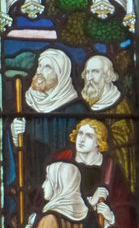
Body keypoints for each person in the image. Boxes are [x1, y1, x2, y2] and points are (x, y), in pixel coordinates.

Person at [55, 118, 139, 228]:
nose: (82, 139)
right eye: (80, 133)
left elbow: (126, 211)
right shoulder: (63, 161)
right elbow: (51, 202)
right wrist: (90, 205)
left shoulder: (110, 170)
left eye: (89, 135)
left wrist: (111, 217)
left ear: (98, 143)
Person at [9, 48, 88, 200]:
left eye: (48, 67)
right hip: (34, 189)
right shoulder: (25, 106)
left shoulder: (77, 110)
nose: (40, 71)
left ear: (61, 74)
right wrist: (15, 137)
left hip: (66, 187)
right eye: (39, 66)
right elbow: (22, 155)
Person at [81, 54, 136, 189]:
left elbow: (123, 139)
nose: (90, 77)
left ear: (107, 75)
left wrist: (98, 139)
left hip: (111, 171)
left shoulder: (119, 105)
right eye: (87, 72)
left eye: (95, 72)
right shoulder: (82, 104)